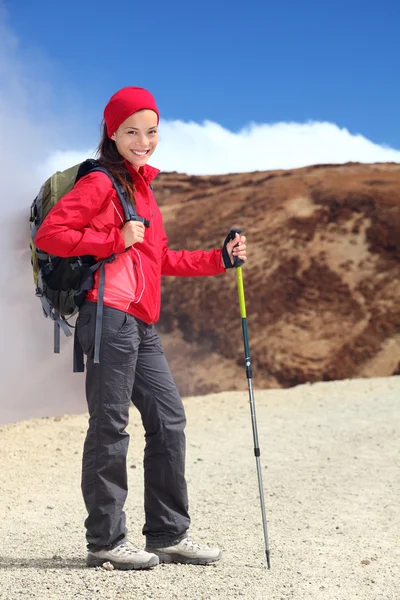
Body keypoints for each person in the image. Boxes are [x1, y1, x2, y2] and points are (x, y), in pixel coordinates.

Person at [35, 86, 247, 570]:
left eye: (151, 131)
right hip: (108, 314)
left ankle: (168, 534)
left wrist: (218, 259)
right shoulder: (101, 183)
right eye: (132, 130)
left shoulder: (142, 189)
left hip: (141, 320)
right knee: (110, 425)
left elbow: (160, 258)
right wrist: (113, 236)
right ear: (112, 132)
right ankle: (106, 542)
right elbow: (53, 234)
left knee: (169, 420)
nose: (143, 140)